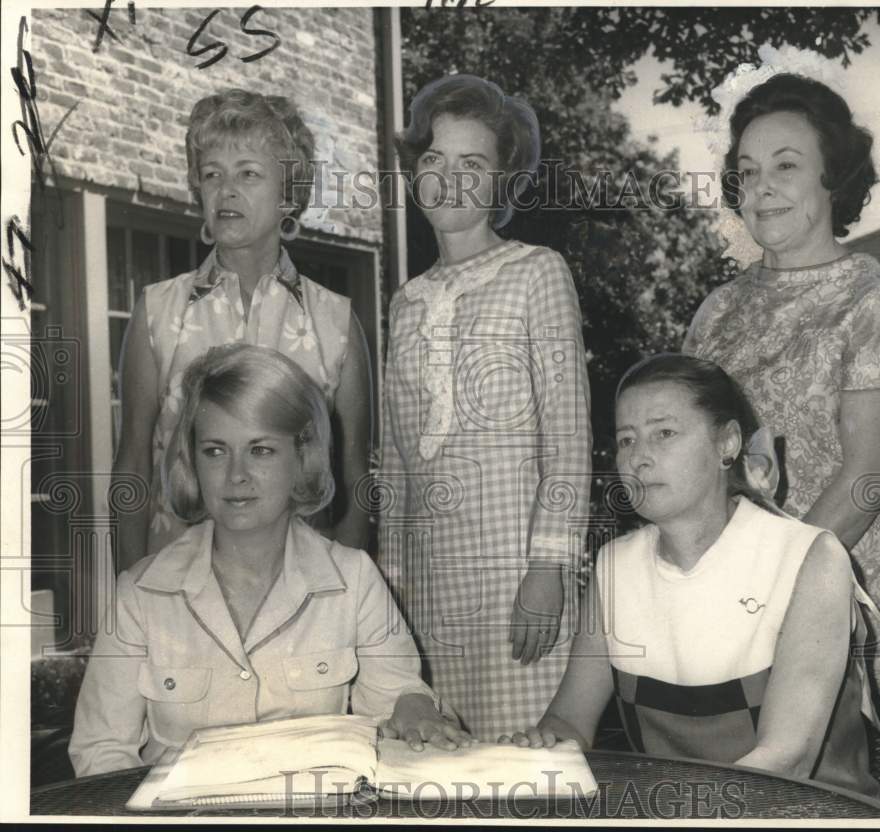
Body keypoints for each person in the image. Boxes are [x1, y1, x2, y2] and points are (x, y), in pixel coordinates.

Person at [70, 345, 470, 777]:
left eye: (260, 450)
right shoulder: (140, 594)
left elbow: (398, 703)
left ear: (302, 458)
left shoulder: (354, 580)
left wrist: (414, 707)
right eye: (215, 451)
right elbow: (100, 753)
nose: (236, 475)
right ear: (192, 461)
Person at [500, 354, 880, 798]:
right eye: (626, 440)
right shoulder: (614, 567)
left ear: (728, 444)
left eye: (664, 433)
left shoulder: (810, 558)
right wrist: (544, 748)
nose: (638, 458)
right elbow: (568, 723)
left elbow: (784, 761)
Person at [683, 73, 880, 702]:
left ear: (834, 177)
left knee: (849, 791)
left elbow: (866, 479)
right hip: (729, 606)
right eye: (748, 169)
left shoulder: (873, 301)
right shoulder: (716, 312)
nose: (761, 185)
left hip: (847, 598)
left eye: (786, 165)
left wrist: (768, 586)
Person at [378, 74, 592, 740]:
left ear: (503, 182)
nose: (449, 177)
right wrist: (392, 586)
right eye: (434, 159)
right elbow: (393, 463)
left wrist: (549, 568)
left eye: (472, 163)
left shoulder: (537, 272)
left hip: (516, 577)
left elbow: (569, 437)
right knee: (440, 770)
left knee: (526, 771)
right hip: (431, 590)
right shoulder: (404, 301)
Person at [112, 88, 370, 572]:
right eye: (212, 175)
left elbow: (357, 482)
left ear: (287, 194)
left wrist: (343, 595)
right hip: (177, 590)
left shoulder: (335, 323)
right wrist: (129, 589)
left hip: (302, 593)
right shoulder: (156, 312)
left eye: (249, 173)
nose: (226, 191)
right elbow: (131, 468)